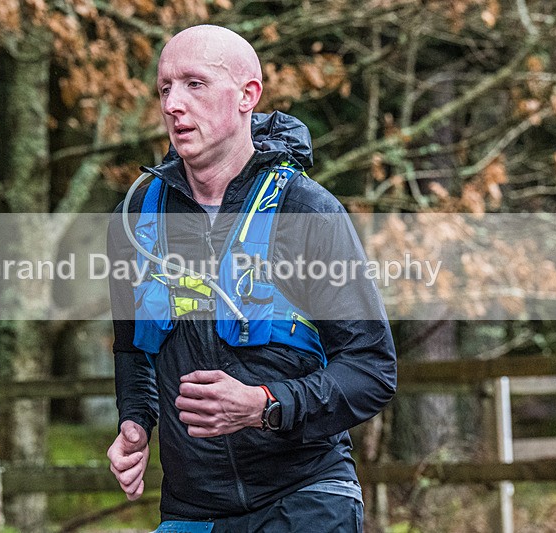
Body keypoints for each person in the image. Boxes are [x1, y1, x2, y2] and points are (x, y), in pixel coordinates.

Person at [106, 24, 396, 532]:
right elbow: (133, 349)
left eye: (194, 84)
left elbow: (371, 371)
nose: (174, 104)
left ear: (248, 95)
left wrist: (263, 406)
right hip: (192, 511)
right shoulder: (136, 220)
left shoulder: (306, 211)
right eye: (165, 88)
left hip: (304, 498)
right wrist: (135, 420)